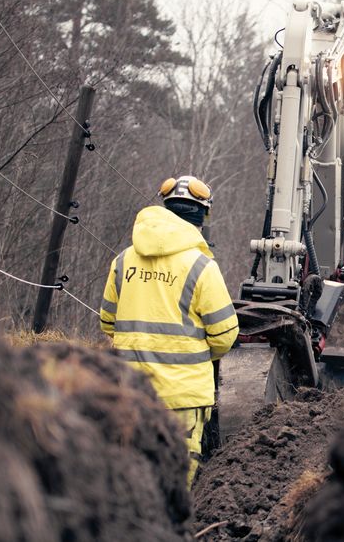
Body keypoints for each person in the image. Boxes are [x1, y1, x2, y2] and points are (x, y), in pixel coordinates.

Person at [100, 175, 239, 488]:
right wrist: (196, 354)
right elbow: (225, 335)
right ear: (202, 216)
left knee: (131, 478)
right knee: (175, 484)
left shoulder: (123, 261)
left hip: (131, 391)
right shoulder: (201, 266)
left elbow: (108, 323)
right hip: (183, 398)